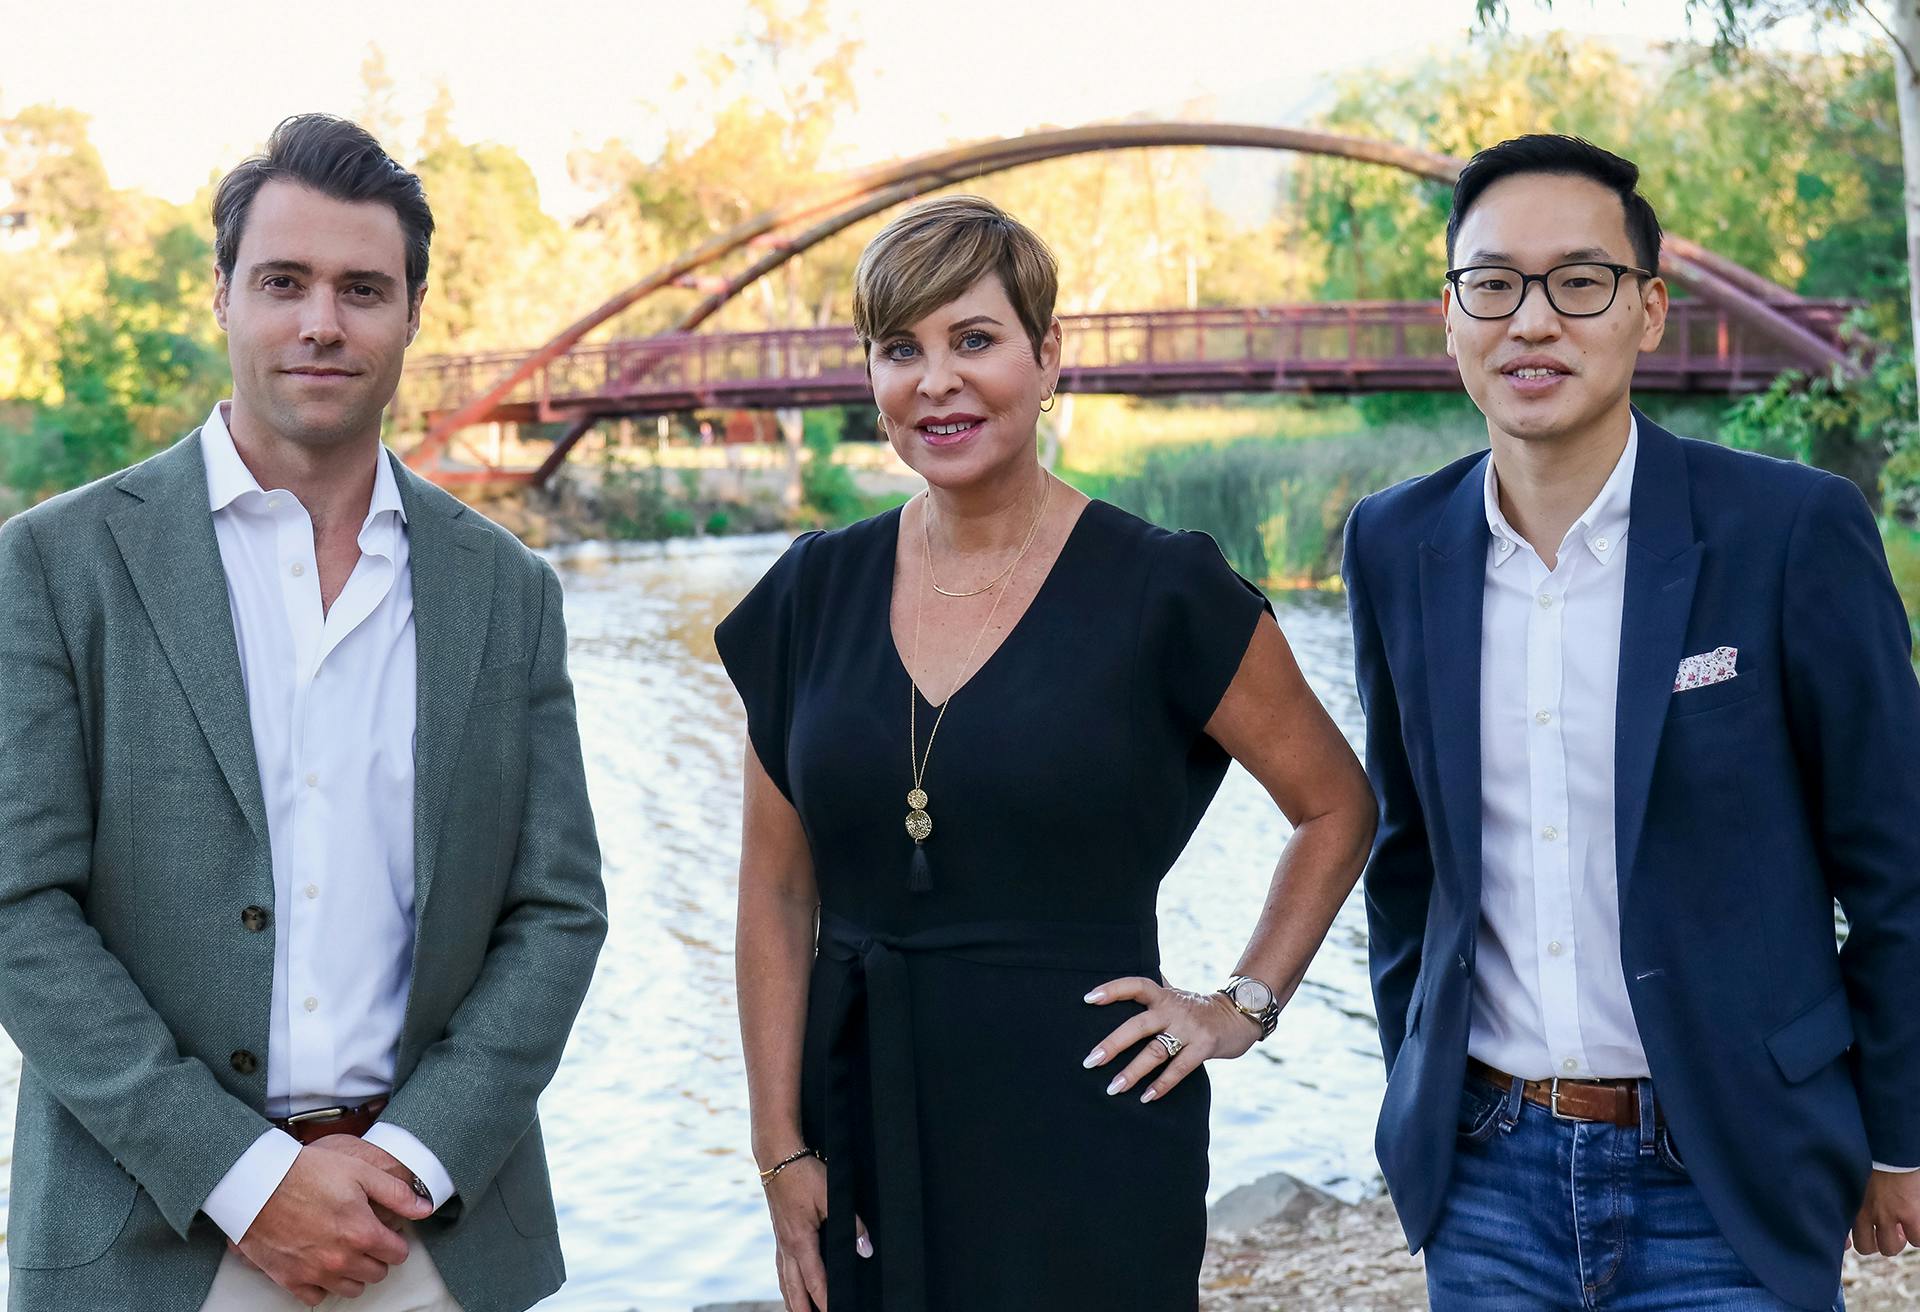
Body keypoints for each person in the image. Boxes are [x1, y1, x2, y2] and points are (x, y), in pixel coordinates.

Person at [715, 194, 1376, 1312]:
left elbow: (1336, 806)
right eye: (900, 349)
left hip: (1088, 1134)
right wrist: (780, 1150)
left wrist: (1238, 1006)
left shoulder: (1164, 591)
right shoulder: (808, 595)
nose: (937, 382)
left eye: (974, 340)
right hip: (861, 1124)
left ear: (1047, 353)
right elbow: (775, 893)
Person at [0, 114, 607, 1312]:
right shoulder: (54, 566)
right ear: (222, 294)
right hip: (149, 1236)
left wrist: (415, 1154)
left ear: (414, 313)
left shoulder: (507, 590)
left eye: (362, 288)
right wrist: (239, 1175)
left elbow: (558, 909)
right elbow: (17, 903)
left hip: (432, 1237)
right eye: (284, 281)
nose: (321, 321)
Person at [1343, 133, 1920, 1311]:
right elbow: (1408, 857)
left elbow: (1897, 862)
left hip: (1727, 1167)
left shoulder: (1791, 530)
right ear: (1450, 316)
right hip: (1487, 1168)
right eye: (1493, 283)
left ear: (1649, 309)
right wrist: (1417, 1086)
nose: (1533, 321)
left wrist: (1899, 1130)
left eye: (1581, 281)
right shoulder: (1395, 544)